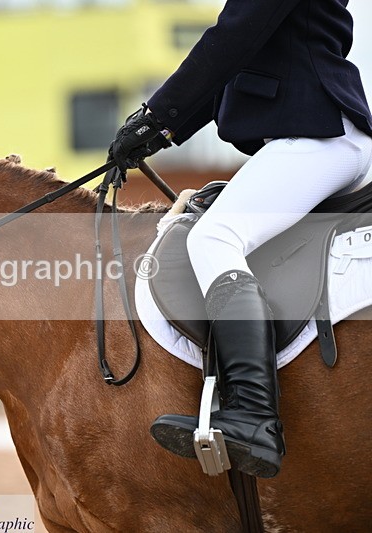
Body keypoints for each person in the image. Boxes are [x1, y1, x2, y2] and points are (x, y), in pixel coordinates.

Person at [108, 0, 372, 478]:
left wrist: (156, 115)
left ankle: (253, 416)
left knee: (215, 238)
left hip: (319, 136)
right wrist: (159, 130)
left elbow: (233, 36)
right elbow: (238, 59)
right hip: (315, 135)